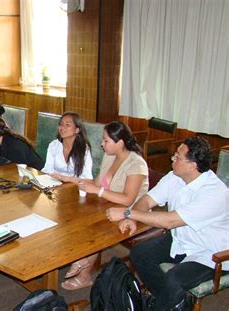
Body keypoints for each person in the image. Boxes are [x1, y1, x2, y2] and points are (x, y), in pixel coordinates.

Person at [107, 136, 228, 310]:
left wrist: (127, 212)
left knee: (175, 278)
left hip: (211, 252)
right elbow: (147, 201)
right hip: (183, 239)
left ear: (192, 166)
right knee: (139, 253)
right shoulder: (175, 176)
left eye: (177, 157)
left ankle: (164, 303)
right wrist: (132, 218)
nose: (172, 158)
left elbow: (170, 221)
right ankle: (172, 302)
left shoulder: (214, 193)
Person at [61, 121, 149, 290]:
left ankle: (84, 271)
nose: (102, 144)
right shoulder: (110, 156)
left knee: (95, 225)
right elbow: (97, 182)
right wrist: (76, 182)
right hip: (107, 204)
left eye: (106, 141)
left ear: (120, 143)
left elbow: (128, 200)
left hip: (133, 212)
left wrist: (98, 191)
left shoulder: (136, 164)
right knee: (74, 213)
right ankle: (80, 256)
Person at [42, 112, 93, 181]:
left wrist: (67, 179)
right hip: (55, 184)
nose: (62, 127)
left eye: (68, 125)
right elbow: (47, 170)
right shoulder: (54, 145)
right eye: (61, 124)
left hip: (76, 187)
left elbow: (88, 179)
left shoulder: (84, 149)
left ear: (77, 130)